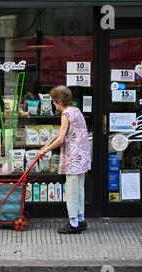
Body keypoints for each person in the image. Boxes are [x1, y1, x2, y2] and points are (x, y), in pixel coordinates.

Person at [38, 86, 91, 234]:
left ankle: (73, 223)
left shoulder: (66, 114)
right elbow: (61, 134)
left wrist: (45, 150)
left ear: (60, 101)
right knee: (79, 189)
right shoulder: (76, 110)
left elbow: (60, 138)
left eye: (54, 102)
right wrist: (47, 145)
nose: (54, 105)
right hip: (82, 156)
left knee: (71, 191)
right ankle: (81, 219)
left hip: (74, 158)